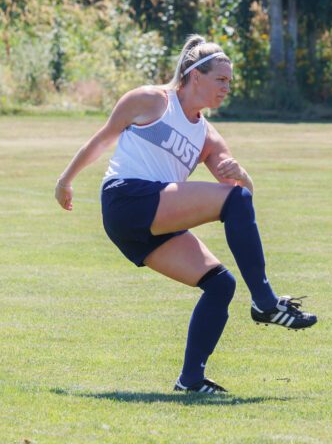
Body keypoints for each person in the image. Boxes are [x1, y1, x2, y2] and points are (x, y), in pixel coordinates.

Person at [54, 35, 317, 394]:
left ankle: (190, 380)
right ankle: (266, 302)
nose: (228, 87)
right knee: (233, 201)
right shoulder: (152, 100)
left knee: (220, 284)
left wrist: (243, 175)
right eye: (220, 80)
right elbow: (103, 139)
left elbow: (243, 197)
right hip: (127, 200)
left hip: (151, 222)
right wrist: (66, 179)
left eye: (229, 81)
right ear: (196, 76)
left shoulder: (207, 135)